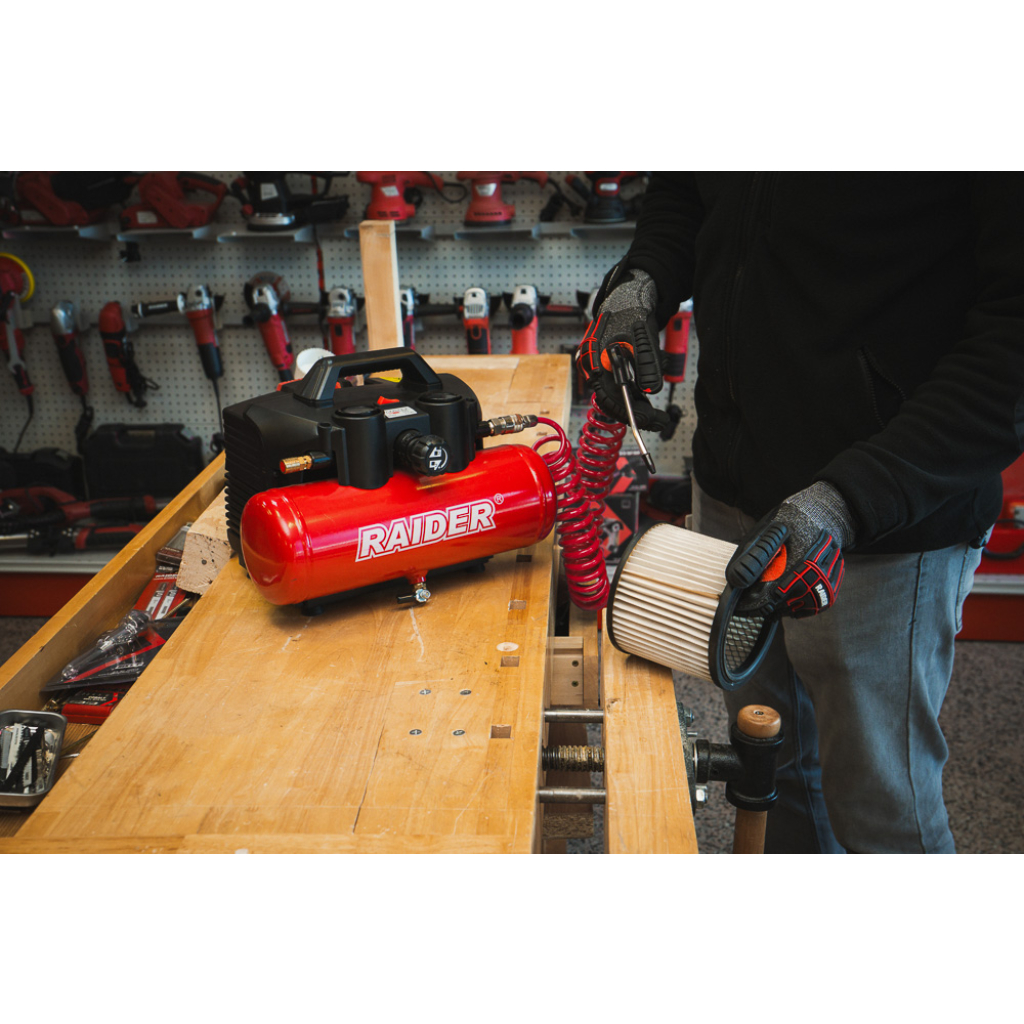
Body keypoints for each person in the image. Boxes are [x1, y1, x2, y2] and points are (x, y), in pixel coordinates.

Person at [578, 172, 1024, 853]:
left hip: (880, 521)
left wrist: (849, 499)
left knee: (880, 809)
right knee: (771, 765)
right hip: (733, 484)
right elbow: (683, 192)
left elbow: (1012, 345)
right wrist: (644, 278)